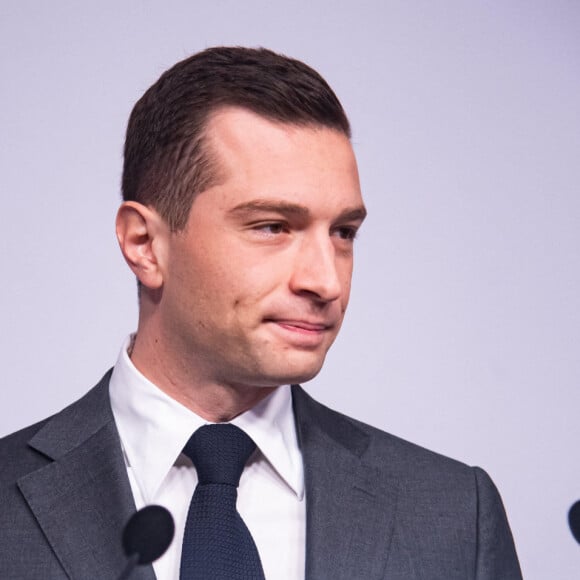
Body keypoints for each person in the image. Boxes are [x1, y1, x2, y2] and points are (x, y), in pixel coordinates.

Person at [0, 47, 522, 579]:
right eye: (273, 226)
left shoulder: (455, 516)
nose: (325, 280)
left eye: (343, 233)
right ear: (145, 244)